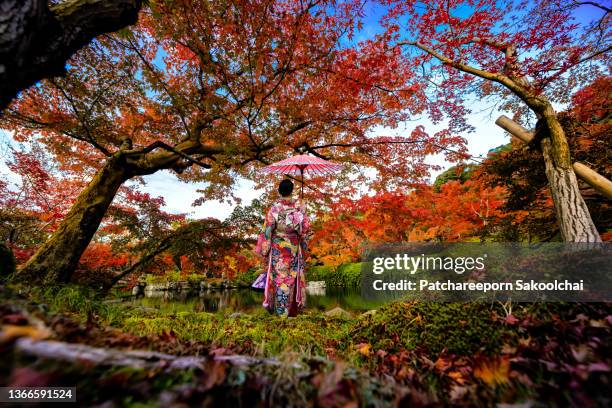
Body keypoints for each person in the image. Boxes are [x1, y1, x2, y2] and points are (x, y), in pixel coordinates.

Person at [255, 179, 311, 317]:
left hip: (277, 249)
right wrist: (303, 243)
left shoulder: (274, 209)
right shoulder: (299, 208)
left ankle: (280, 312)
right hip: (293, 248)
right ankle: (292, 310)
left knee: (279, 278)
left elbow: (267, 231)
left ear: (279, 191)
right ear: (292, 191)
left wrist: (264, 249)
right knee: (292, 277)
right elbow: (306, 230)